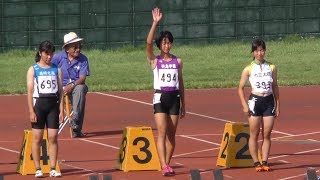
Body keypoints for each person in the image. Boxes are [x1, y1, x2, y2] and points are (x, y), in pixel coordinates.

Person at [146, 7, 186, 176]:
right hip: (160, 97)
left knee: (172, 134)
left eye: (169, 42)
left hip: (175, 98)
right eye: (163, 42)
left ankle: (167, 163)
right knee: (161, 132)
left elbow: (181, 83)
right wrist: (155, 23)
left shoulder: (178, 61)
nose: (167, 45)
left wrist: (184, 103)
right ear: (160, 45)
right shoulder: (154, 60)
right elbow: (148, 43)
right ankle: (163, 165)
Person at [238, 39, 280, 172]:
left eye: (262, 50)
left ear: (265, 51)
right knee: (254, 134)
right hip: (255, 101)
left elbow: (275, 86)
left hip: (269, 101)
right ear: (253, 52)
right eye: (257, 51)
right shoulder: (248, 69)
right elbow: (240, 88)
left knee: (267, 134)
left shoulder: (272, 67)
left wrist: (278, 104)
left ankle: (265, 161)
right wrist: (245, 105)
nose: (260, 53)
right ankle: (256, 162)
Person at [27, 40, 63, 178]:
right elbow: (30, 92)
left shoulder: (56, 69)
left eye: (51, 54)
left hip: (53, 105)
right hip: (39, 106)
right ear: (40, 53)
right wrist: (31, 110)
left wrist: (62, 109)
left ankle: (53, 168)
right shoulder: (33, 70)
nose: (49, 56)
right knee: (37, 138)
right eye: (46, 54)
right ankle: (38, 168)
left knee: (53, 137)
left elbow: (61, 91)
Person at [52, 32, 90, 138]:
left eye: (79, 46)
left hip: (75, 90)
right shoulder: (57, 58)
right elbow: (49, 70)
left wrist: (72, 85)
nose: (78, 49)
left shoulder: (83, 59)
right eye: (75, 47)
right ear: (67, 48)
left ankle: (75, 125)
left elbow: (82, 78)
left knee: (81, 88)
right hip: (58, 90)